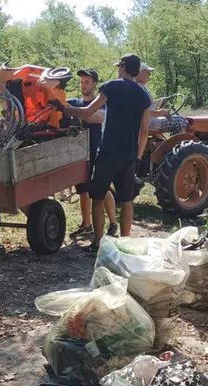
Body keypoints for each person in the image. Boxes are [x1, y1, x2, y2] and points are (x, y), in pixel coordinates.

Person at [51, 54, 151, 252]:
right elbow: (145, 131)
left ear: (123, 67)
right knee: (127, 199)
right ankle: (125, 244)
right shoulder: (144, 95)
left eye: (119, 66)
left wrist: (63, 108)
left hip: (108, 151)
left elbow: (88, 112)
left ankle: (97, 242)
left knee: (97, 197)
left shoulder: (111, 87)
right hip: (130, 154)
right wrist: (138, 156)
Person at [64, 68, 118, 239]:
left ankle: (113, 223)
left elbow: (97, 117)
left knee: (100, 188)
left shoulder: (101, 103)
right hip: (80, 154)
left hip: (96, 151)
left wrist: (74, 112)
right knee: (82, 190)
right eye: (81, 82)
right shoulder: (76, 102)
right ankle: (86, 225)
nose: (83, 85)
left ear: (95, 84)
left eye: (87, 82)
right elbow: (62, 105)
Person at [134, 63, 188, 135]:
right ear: (140, 73)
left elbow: (146, 105)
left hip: (148, 121)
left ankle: (162, 142)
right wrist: (159, 113)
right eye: (147, 72)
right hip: (149, 123)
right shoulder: (139, 89)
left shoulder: (138, 87)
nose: (149, 74)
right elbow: (141, 110)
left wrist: (161, 100)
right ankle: (175, 145)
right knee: (180, 121)